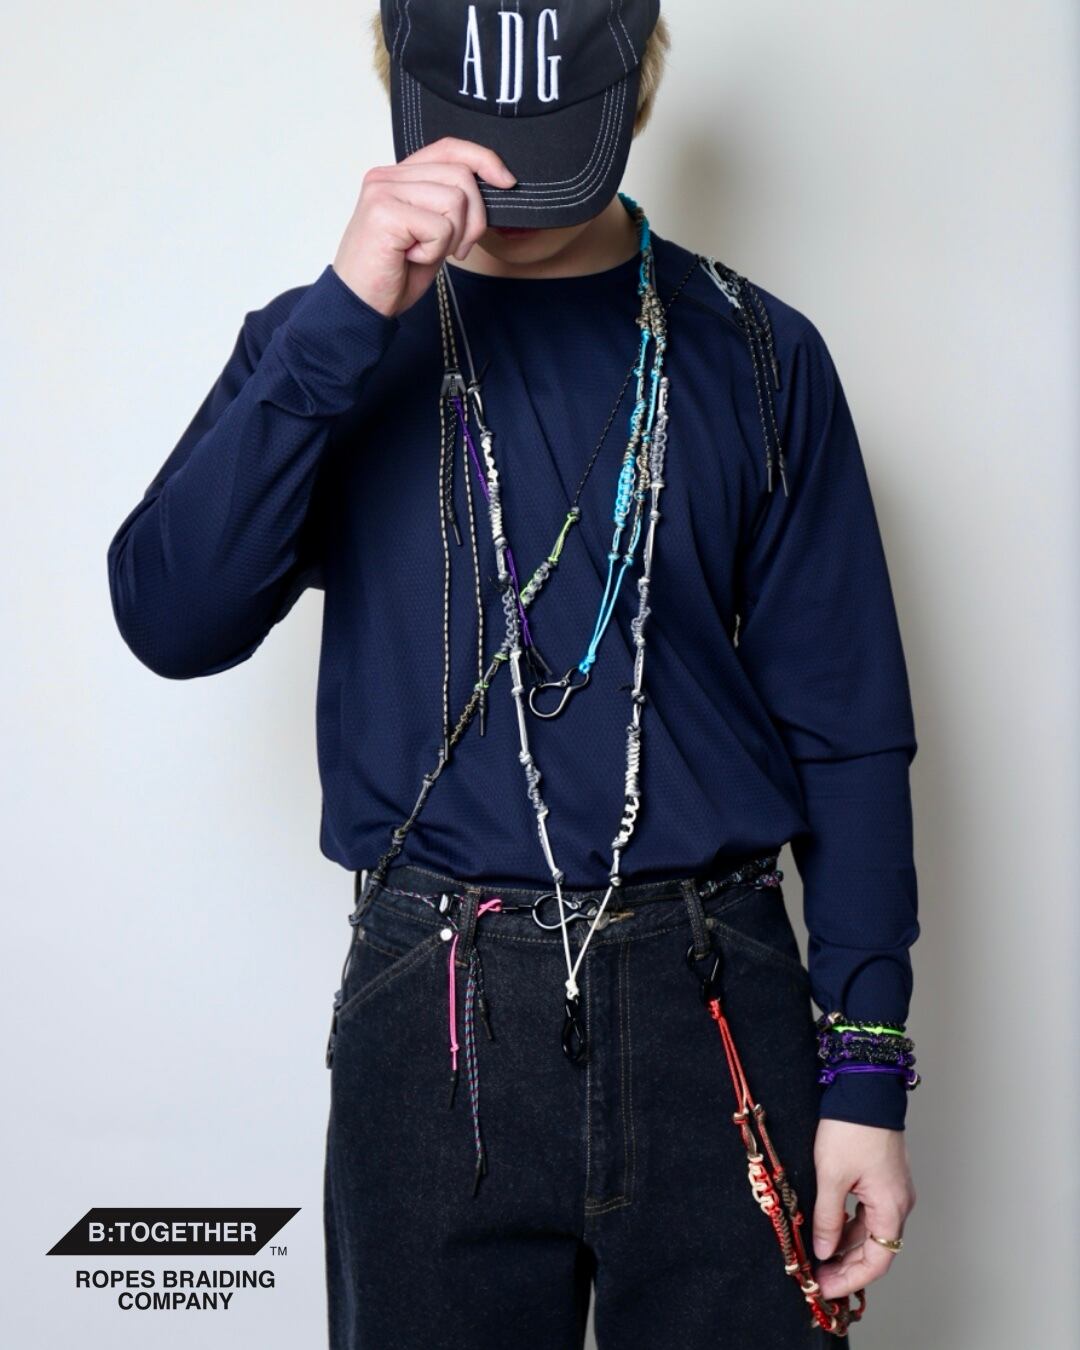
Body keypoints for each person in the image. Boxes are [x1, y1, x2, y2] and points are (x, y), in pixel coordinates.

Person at [106, 1, 920, 1345]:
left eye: (552, 144)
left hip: (716, 989)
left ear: (633, 90)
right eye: (478, 133)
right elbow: (170, 618)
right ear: (401, 89)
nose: (513, 189)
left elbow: (851, 732)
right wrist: (342, 317)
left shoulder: (757, 352)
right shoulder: (323, 345)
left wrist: (867, 1076)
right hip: (435, 1000)